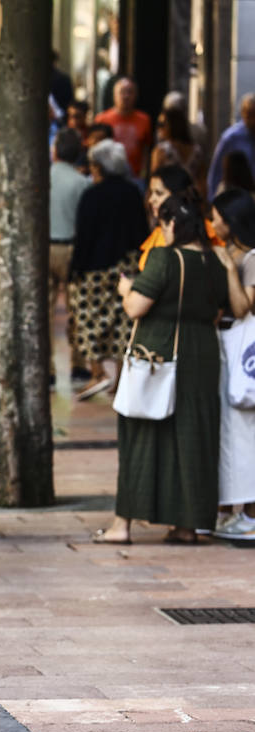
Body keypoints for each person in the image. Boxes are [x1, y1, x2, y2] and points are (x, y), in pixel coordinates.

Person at [94, 192, 226, 544]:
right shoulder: (213, 261)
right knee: (192, 438)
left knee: (141, 436)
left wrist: (126, 289)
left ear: (170, 224)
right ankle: (186, 524)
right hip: (203, 355)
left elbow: (136, 307)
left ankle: (122, 525)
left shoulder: (165, 259)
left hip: (160, 352)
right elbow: (223, 307)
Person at [69, 140, 150, 400]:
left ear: (99, 166)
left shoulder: (92, 195)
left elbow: (84, 236)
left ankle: (97, 372)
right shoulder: (132, 192)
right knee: (123, 324)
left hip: (94, 269)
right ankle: (120, 377)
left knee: (88, 320)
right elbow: (140, 232)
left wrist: (75, 269)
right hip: (126, 267)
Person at [210, 189, 255, 540]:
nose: (212, 223)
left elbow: (242, 308)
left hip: (244, 350)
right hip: (227, 347)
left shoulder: (250, 258)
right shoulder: (229, 253)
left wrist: (228, 267)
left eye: (217, 217)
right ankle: (230, 509)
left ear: (231, 221)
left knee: (244, 431)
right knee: (230, 431)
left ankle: (249, 514)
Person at [49, 129, 91, 372]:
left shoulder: (43, 177)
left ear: (55, 151)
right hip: (71, 248)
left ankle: (48, 368)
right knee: (77, 309)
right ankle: (79, 362)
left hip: (45, 248)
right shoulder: (82, 182)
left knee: (44, 312)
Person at [95, 78, 152, 178]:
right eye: (122, 92)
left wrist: (143, 174)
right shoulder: (102, 119)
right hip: (108, 176)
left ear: (136, 95)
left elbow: (146, 150)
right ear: (114, 95)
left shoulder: (144, 120)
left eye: (130, 92)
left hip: (136, 177)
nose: (126, 96)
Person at [206, 94, 255, 201]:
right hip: (235, 198)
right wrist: (212, 200)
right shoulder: (231, 138)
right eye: (250, 115)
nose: (253, 120)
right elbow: (216, 170)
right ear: (243, 114)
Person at [150, 104, 205, 197]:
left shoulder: (161, 151)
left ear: (173, 125)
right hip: (191, 200)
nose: (159, 128)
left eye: (162, 124)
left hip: (168, 200)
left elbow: (153, 181)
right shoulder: (197, 150)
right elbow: (202, 183)